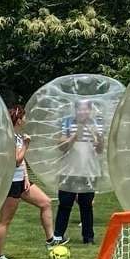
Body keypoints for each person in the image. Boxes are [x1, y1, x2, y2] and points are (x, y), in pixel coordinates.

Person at [0, 104, 54, 259]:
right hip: (11, 184)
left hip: (21, 181)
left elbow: (22, 163)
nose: (26, 120)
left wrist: (26, 177)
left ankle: (50, 240)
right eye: (24, 117)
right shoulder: (9, 138)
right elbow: (16, 160)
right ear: (18, 120)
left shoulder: (19, 136)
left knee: (46, 203)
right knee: (5, 221)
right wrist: (27, 145)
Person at [52, 97, 107, 245]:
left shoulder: (96, 124)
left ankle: (88, 237)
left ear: (90, 110)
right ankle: (58, 236)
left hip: (89, 171)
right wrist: (73, 138)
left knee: (86, 205)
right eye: (80, 109)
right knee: (64, 203)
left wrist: (99, 140)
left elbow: (100, 150)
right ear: (75, 110)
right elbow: (61, 147)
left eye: (86, 109)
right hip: (68, 170)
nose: (83, 111)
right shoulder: (68, 122)